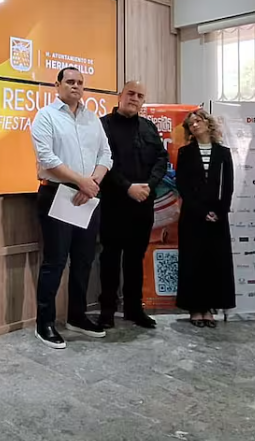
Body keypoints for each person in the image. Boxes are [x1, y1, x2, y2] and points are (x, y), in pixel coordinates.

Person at [30, 67, 113, 348]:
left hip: (89, 196)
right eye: (70, 82)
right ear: (57, 85)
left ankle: (77, 316)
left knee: (83, 260)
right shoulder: (46, 116)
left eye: (80, 82)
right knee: (55, 262)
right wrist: (81, 181)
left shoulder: (92, 118)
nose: (75, 86)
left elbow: (106, 154)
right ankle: (44, 323)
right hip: (57, 194)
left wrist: (93, 183)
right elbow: (47, 158)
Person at [98, 80, 168, 329]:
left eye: (139, 95)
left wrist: (149, 185)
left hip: (143, 204)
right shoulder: (103, 125)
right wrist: (128, 187)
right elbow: (103, 162)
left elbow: (161, 158)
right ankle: (107, 311)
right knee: (110, 258)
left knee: (135, 259)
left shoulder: (148, 127)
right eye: (130, 93)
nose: (134, 98)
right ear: (120, 96)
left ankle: (133, 309)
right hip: (113, 204)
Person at [175, 108, 235, 327]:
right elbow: (182, 185)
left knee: (214, 262)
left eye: (198, 121)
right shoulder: (185, 153)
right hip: (193, 216)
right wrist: (201, 212)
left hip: (218, 217)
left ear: (208, 123)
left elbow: (228, 185)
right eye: (190, 124)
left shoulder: (223, 152)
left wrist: (220, 211)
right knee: (193, 261)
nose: (194, 125)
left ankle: (209, 308)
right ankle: (195, 308)